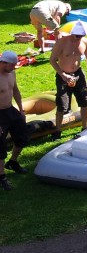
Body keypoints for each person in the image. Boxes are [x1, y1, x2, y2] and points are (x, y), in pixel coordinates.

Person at [49, 21, 87, 139]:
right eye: (77, 36)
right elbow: (52, 60)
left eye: (81, 36)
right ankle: (58, 130)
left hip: (78, 74)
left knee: (85, 101)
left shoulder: (85, 42)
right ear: (72, 33)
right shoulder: (61, 43)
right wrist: (62, 75)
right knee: (62, 104)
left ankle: (85, 127)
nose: (79, 38)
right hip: (63, 75)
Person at [0, 51, 30, 190]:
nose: (14, 68)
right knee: (0, 146)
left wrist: (21, 110)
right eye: (11, 65)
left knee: (23, 137)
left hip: (10, 110)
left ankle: (12, 162)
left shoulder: (12, 73)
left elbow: (16, 91)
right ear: (3, 62)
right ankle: (2, 177)